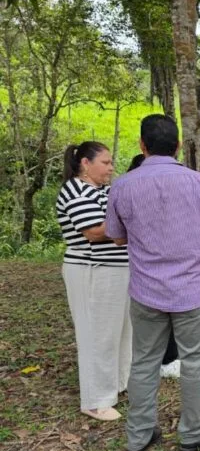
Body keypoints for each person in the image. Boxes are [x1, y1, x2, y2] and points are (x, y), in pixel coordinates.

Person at [105, 114, 200, 451]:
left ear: (142, 146)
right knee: (194, 364)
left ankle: (139, 436)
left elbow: (116, 238)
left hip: (146, 291)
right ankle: (193, 435)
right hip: (193, 291)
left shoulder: (122, 185)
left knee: (144, 362)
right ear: (178, 146)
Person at [57, 141, 132, 422]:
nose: (111, 168)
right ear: (85, 164)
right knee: (97, 334)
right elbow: (94, 231)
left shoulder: (103, 191)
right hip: (93, 269)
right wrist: (132, 224)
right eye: (106, 163)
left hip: (117, 268)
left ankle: (118, 384)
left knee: (122, 331)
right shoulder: (76, 190)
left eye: (112, 163)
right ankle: (95, 399)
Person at [126, 154, 180, 379]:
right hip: (136, 268)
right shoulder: (126, 193)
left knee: (167, 314)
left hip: (159, 269)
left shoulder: (166, 196)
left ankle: (168, 358)